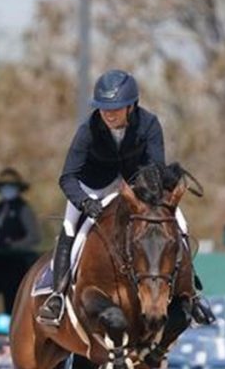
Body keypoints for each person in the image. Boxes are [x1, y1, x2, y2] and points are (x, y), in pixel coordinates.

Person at [37, 69, 214, 327]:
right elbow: (67, 177)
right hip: (93, 186)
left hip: (136, 185)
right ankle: (57, 296)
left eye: (116, 107)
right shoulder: (88, 130)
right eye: (104, 107)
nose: (109, 113)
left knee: (180, 224)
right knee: (70, 228)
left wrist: (157, 186)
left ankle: (192, 295)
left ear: (131, 106)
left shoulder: (149, 124)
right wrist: (85, 203)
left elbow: (154, 167)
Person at [0, 168, 41, 319]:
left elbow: (34, 236)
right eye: (4, 186)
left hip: (13, 265)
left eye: (11, 186)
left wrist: (14, 246)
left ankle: (11, 340)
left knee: (11, 304)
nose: (7, 190)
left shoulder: (23, 209)